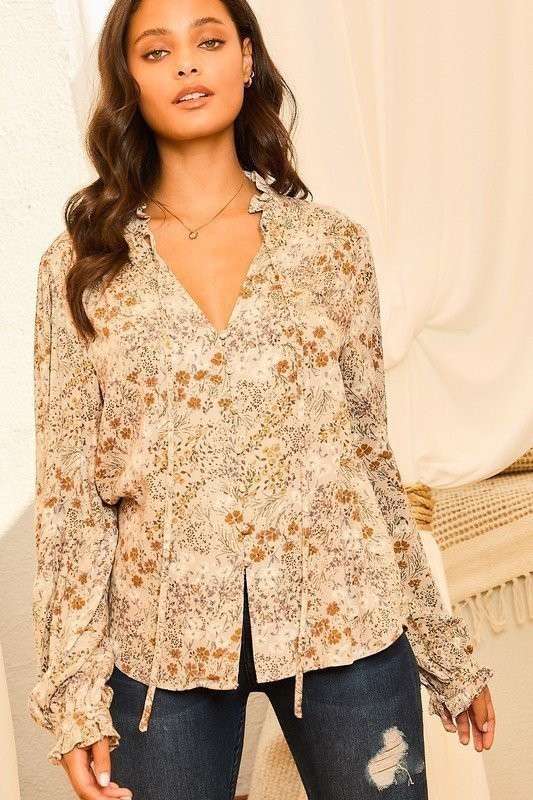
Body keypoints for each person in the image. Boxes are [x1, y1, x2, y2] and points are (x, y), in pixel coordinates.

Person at [28, 1, 496, 798]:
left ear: (246, 59)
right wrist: (73, 696)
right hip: (161, 643)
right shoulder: (82, 265)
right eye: (156, 51)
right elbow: (71, 496)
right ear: (127, 80)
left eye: (209, 41)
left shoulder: (331, 247)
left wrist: (441, 651)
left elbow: (368, 459)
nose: (186, 64)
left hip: (344, 618)